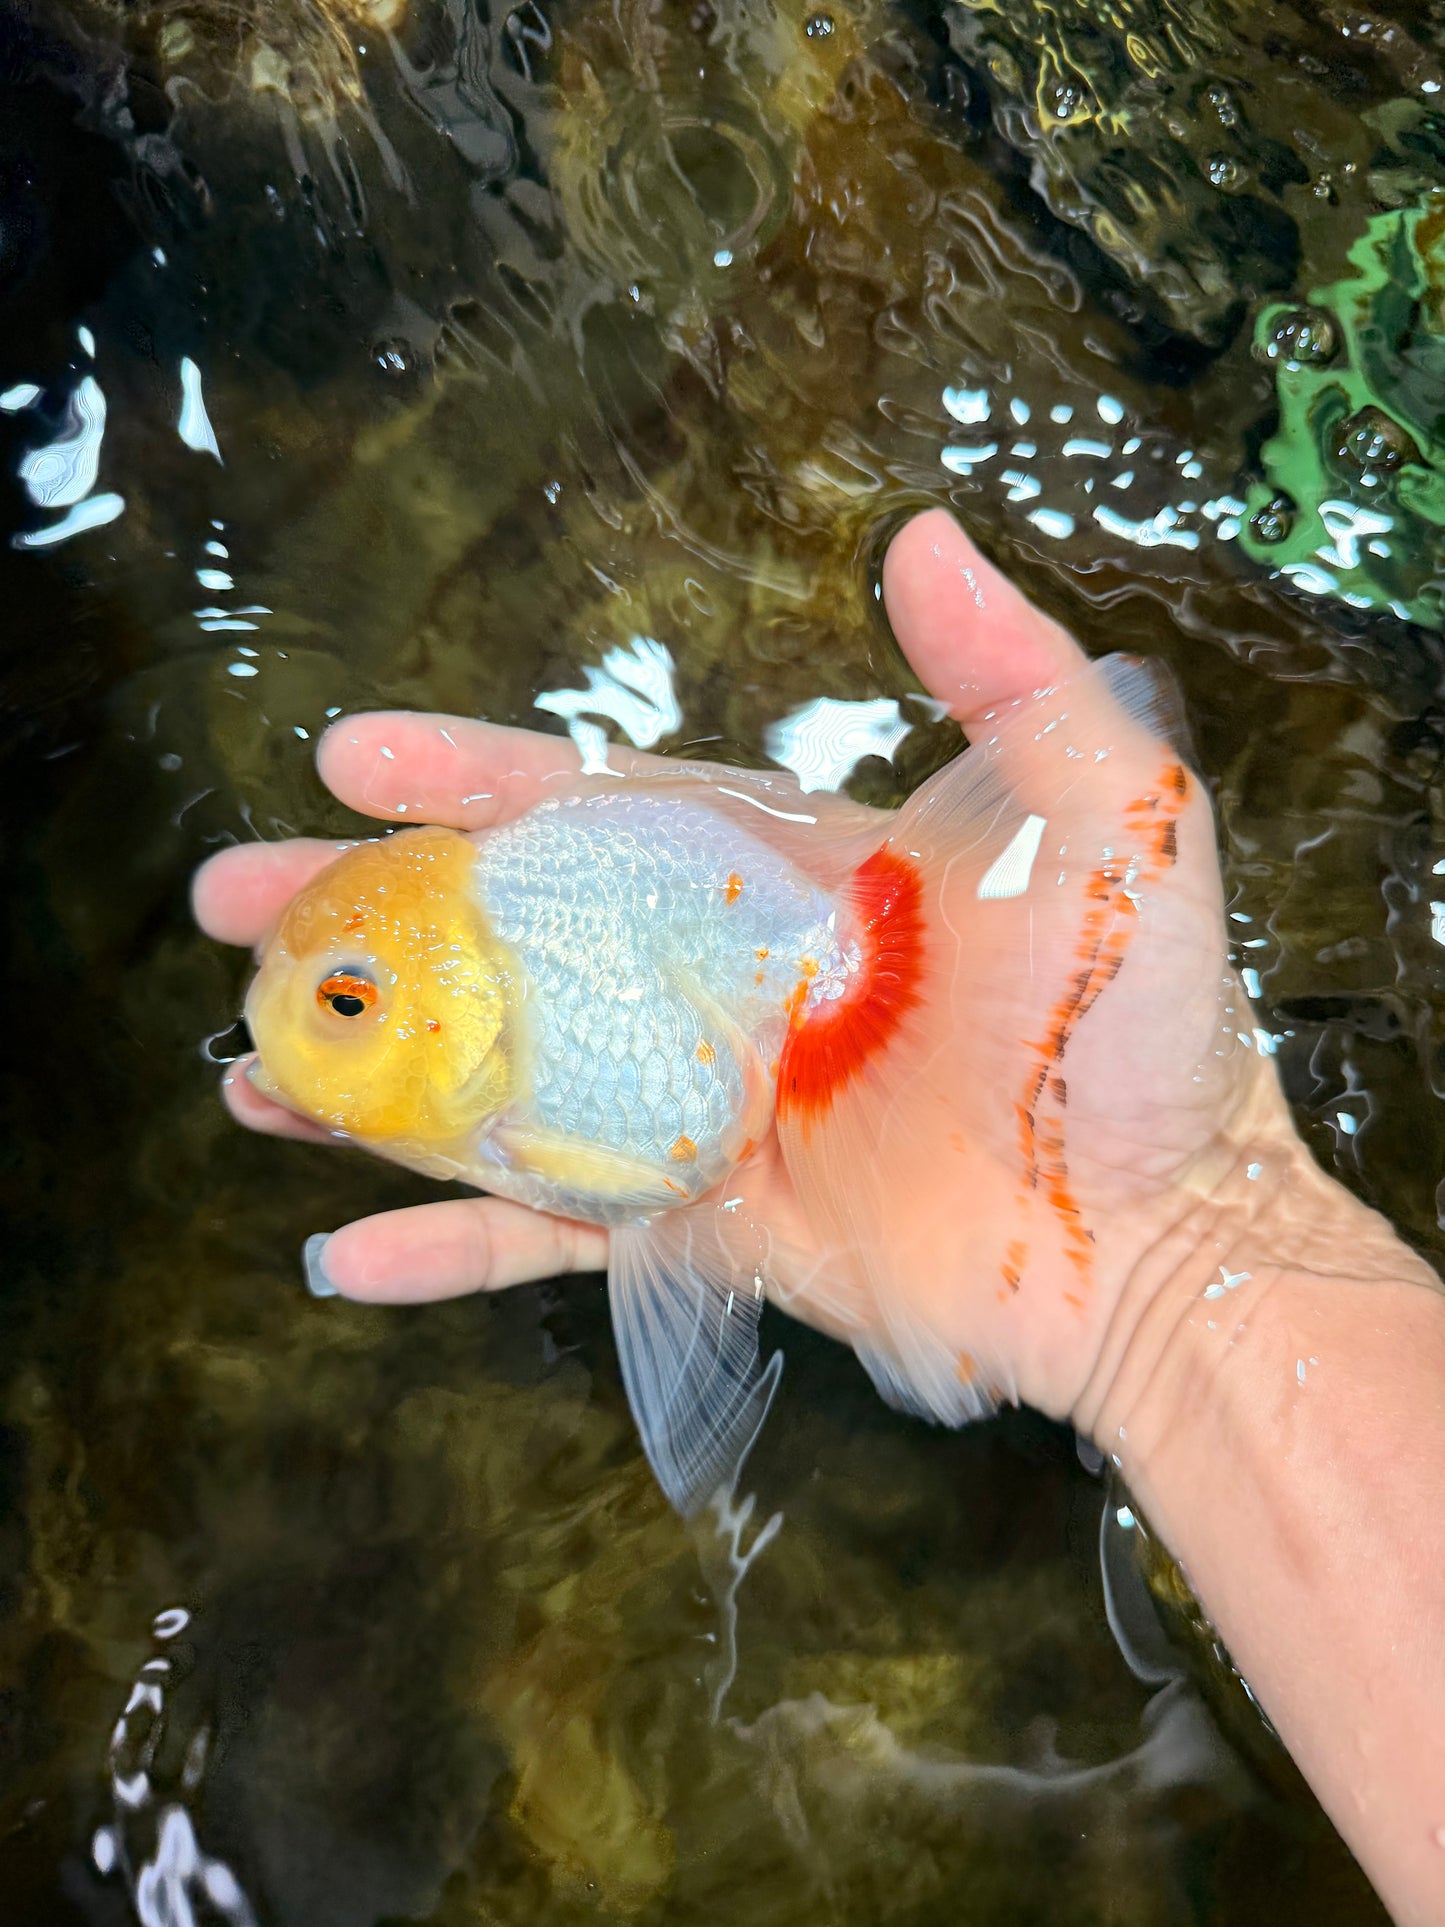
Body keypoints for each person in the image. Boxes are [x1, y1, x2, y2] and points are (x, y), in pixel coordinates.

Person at [193, 508, 1445, 1926]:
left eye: (344, 1001)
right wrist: (1175, 1268)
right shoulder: (470, 1010)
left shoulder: (523, 986)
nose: (306, 1026)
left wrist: (1172, 1241)